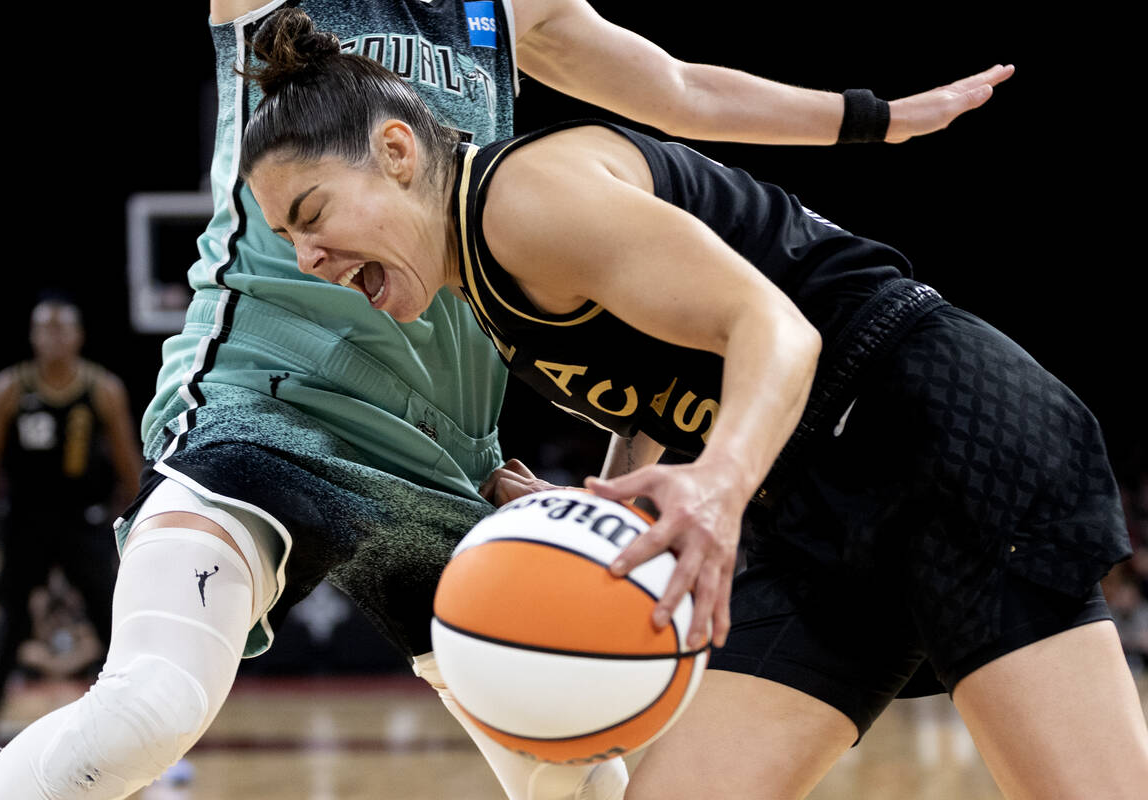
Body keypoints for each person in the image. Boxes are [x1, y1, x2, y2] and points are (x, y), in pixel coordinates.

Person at [0, 3, 1013, 798]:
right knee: (150, 706)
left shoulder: (502, 9)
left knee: (588, 784)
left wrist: (873, 120)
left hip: (443, 463)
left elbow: (682, 89)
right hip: (261, 410)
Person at [238, 19, 1148, 799]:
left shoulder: (524, 200)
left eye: (313, 212)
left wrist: (714, 489)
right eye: (286, 239)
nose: (309, 254)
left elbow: (775, 331)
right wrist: (596, 508)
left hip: (935, 427)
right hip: (809, 496)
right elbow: (664, 386)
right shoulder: (484, 273)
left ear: (397, 153)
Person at [0, 294, 142, 790]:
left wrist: (129, 523)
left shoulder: (102, 389)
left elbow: (130, 465)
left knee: (113, 628)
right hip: (24, 524)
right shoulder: (10, 388)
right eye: (45, 330)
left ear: (78, 336)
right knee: (10, 628)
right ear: (34, 337)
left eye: (63, 329)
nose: (54, 338)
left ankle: (136, 744)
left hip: (82, 523)